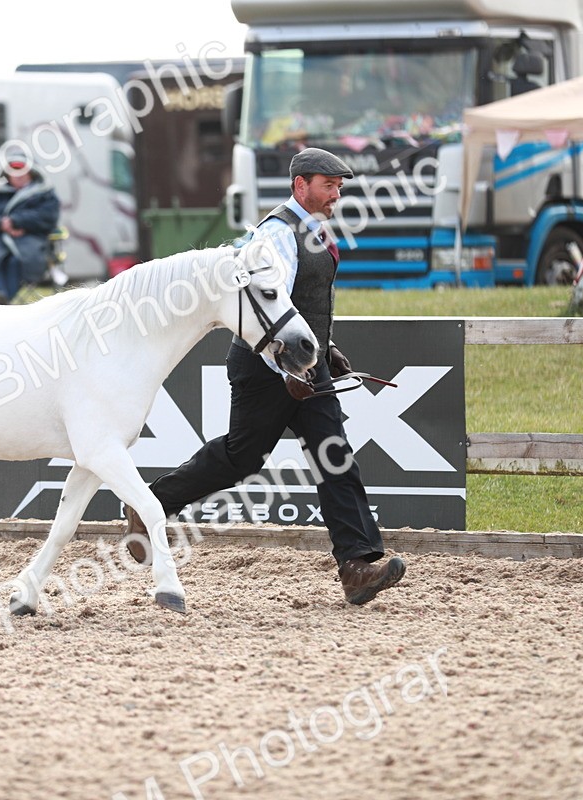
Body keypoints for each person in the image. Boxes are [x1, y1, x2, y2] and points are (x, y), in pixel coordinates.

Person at [124, 147, 406, 606]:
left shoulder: (311, 229)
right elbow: (264, 307)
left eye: (339, 187)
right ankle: (150, 501)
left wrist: (324, 348)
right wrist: (285, 368)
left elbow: (298, 306)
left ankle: (356, 566)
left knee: (334, 456)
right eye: (329, 185)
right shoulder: (277, 234)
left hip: (305, 367)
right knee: (242, 456)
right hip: (266, 367)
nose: (337, 194)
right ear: (301, 185)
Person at [0, 152, 60, 304]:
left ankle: (1, 302)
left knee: (16, 260)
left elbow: (47, 218)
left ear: (31, 172)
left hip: (31, 241)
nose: (17, 175)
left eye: (21, 170)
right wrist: (1, 224)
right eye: (13, 171)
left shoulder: (44, 194)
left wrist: (16, 222)